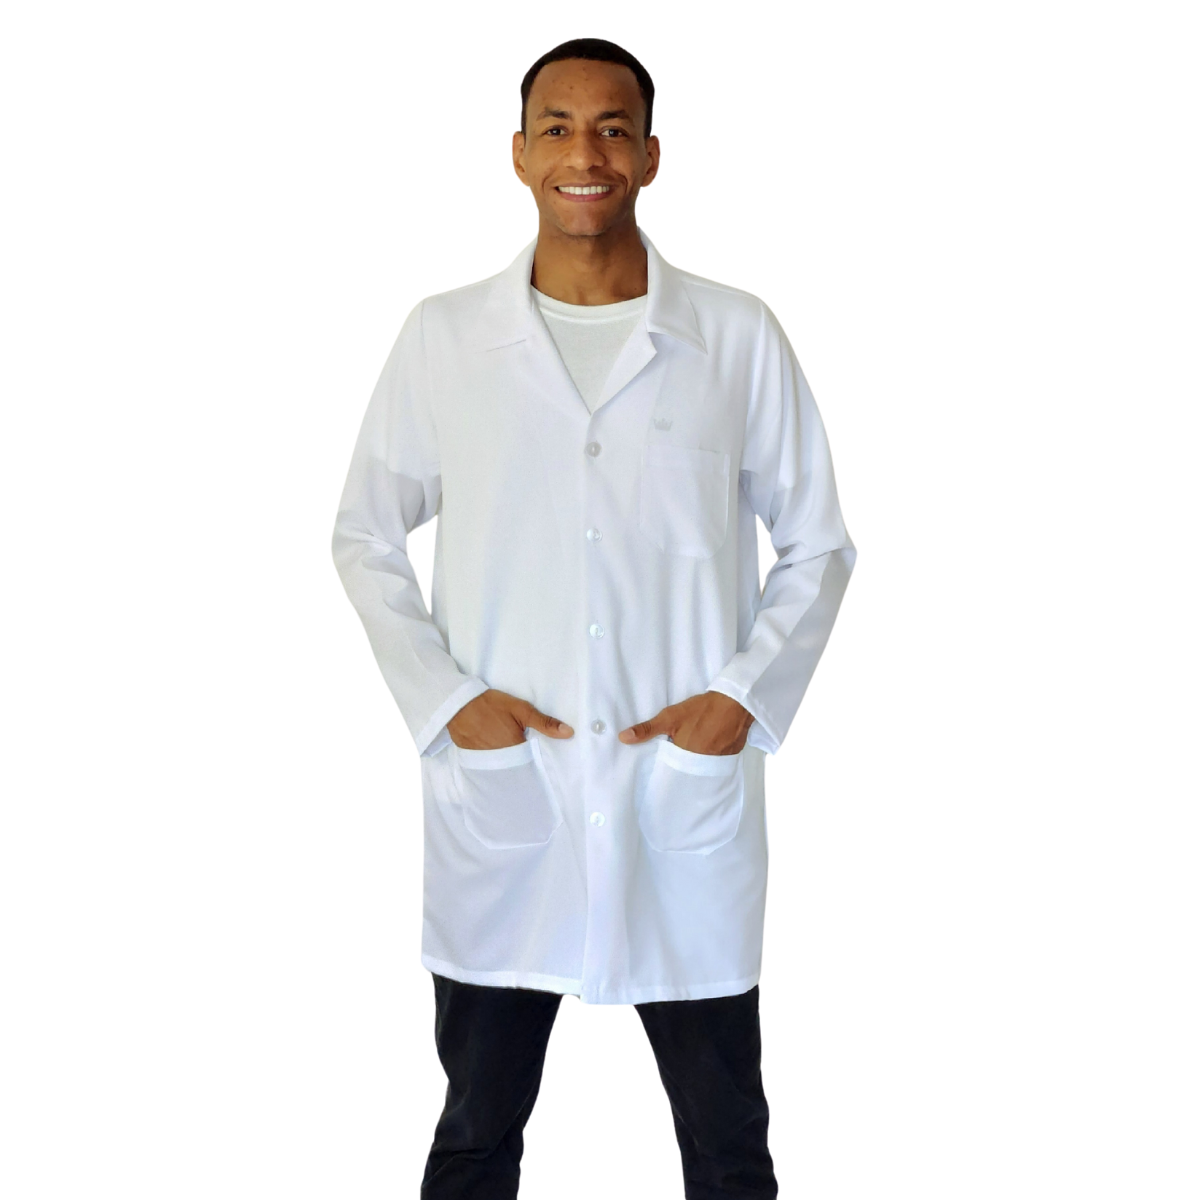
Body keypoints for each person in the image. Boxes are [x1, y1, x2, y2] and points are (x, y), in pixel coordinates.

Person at [331, 36, 857, 1200]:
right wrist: (449, 705)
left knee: (728, 1142)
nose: (587, 153)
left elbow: (818, 544)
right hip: (508, 796)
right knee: (476, 1134)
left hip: (681, 796)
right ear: (520, 154)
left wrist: (741, 702)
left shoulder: (735, 335)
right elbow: (365, 535)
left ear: (651, 156)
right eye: (559, 128)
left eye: (613, 129)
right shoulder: (444, 338)